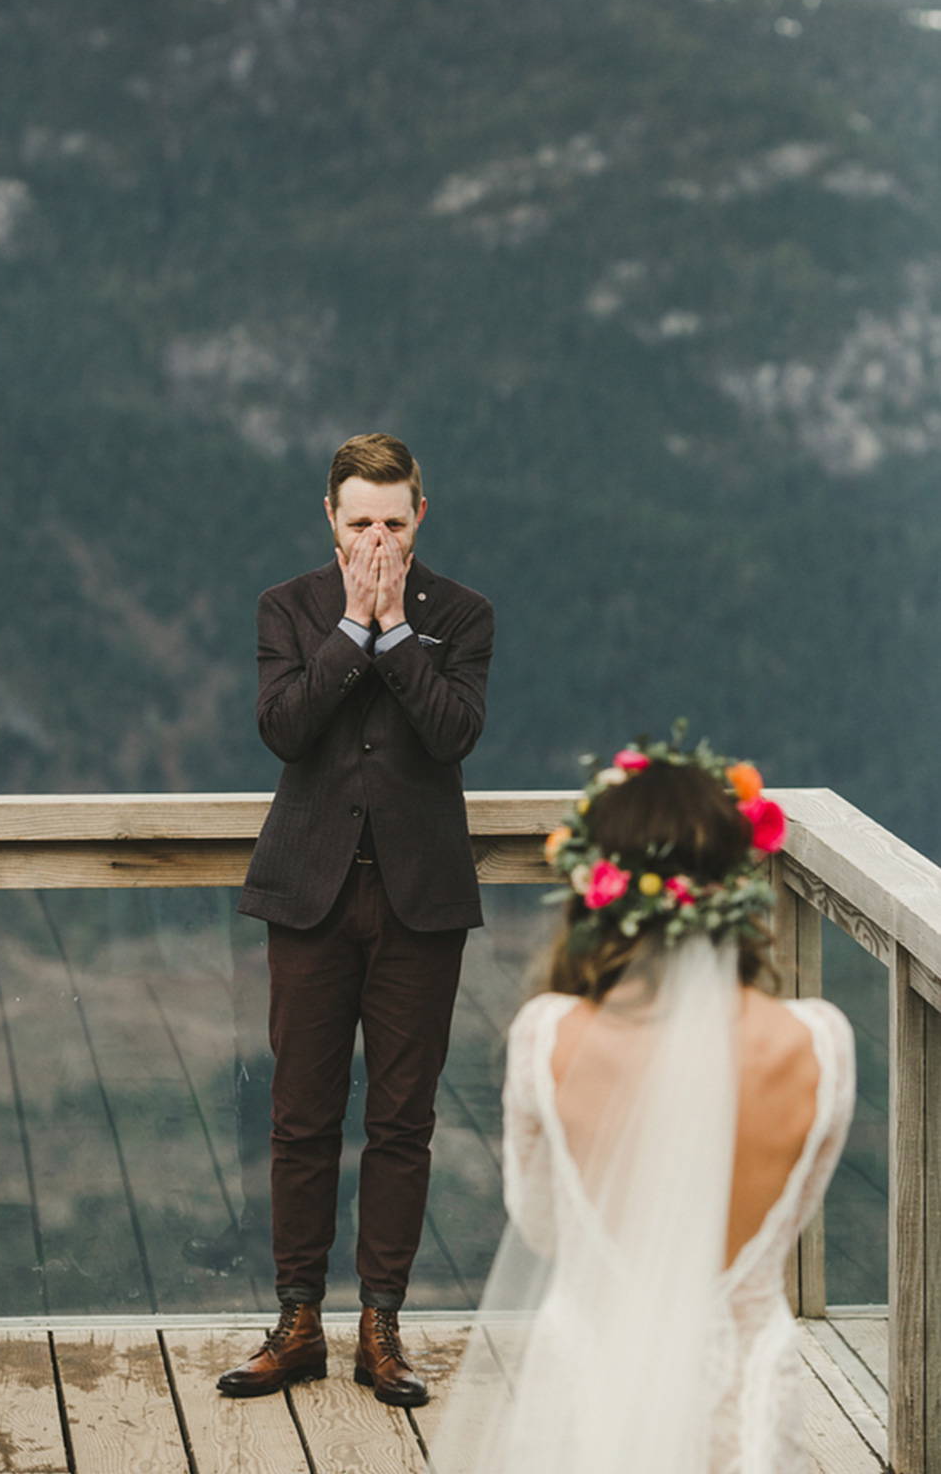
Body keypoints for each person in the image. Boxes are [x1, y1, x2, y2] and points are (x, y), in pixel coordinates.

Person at [431, 726, 855, 1473]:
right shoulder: (819, 1044)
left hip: (591, 1385)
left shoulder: (547, 1036)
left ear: (597, 886)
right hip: (743, 1401)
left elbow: (538, 1225)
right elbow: (791, 1215)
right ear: (733, 884)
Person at [216, 433, 494, 1406]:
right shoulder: (286, 608)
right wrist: (351, 630)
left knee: (401, 1121)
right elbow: (282, 727)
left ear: (420, 517)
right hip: (308, 893)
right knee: (299, 1117)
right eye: (359, 521)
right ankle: (297, 1321)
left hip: (420, 899)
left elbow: (452, 730)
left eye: (393, 520)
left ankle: (381, 1324)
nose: (377, 538)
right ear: (329, 522)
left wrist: (394, 635)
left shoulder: (461, 615)